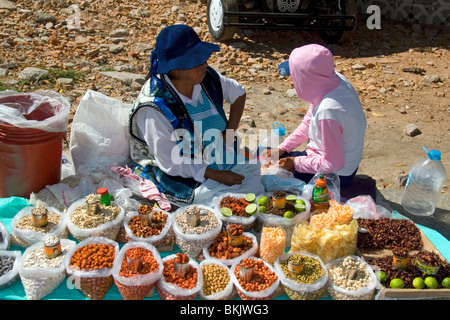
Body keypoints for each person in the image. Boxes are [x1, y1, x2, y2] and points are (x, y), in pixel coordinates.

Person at [128, 24, 248, 203]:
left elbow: (239, 93)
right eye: (197, 61)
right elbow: (171, 162)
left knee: (251, 181)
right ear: (176, 70)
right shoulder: (154, 107)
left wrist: (230, 133)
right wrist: (216, 175)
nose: (205, 65)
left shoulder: (205, 77)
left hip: (214, 153)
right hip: (175, 168)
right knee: (215, 201)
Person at [262, 44, 366, 187]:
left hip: (337, 175)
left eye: (294, 76)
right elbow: (308, 123)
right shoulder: (332, 81)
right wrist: (283, 148)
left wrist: (295, 163)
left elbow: (333, 164)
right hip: (329, 158)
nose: (293, 82)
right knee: (267, 155)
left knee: (267, 176)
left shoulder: (328, 111)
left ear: (306, 79)